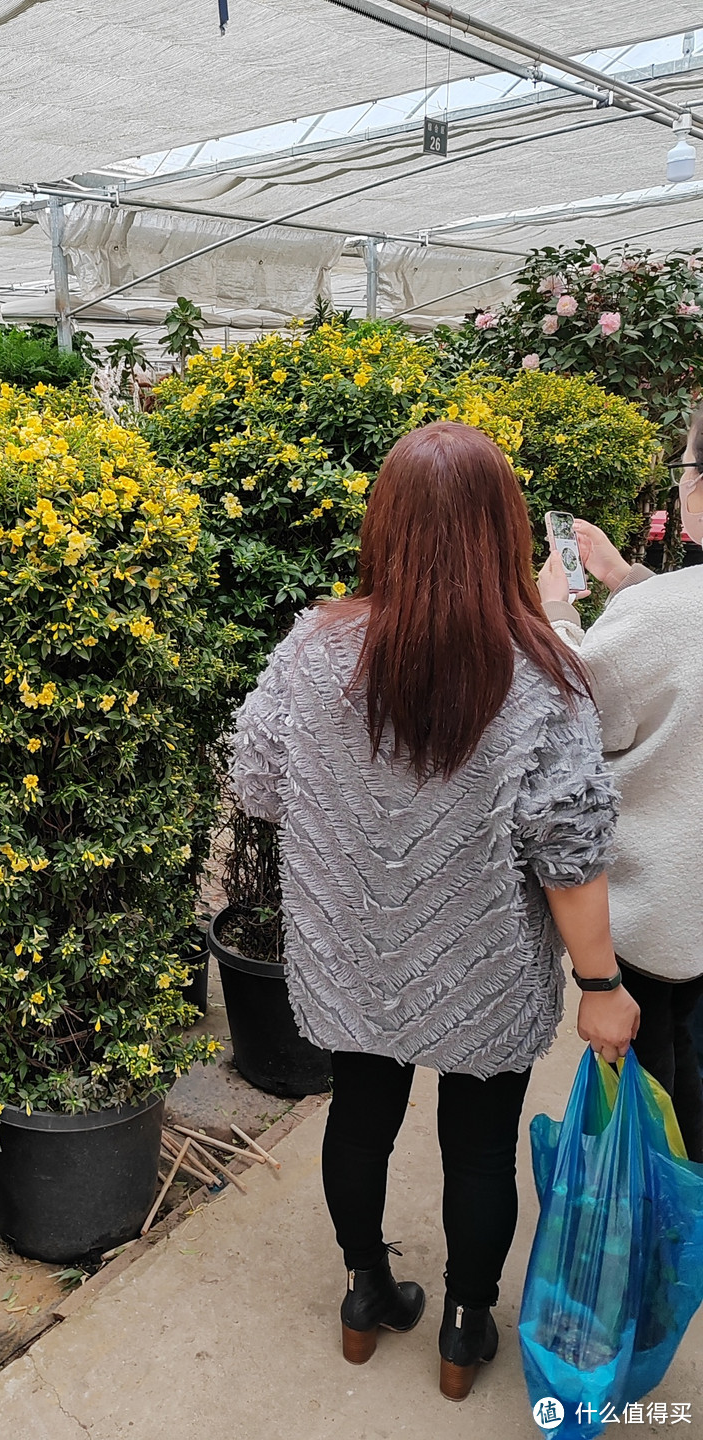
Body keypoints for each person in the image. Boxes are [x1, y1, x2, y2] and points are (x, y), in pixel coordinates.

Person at [229, 421, 638, 1401]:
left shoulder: (315, 648)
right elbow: (569, 849)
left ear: (386, 527)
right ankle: (463, 1329)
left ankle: (364, 1296)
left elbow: (254, 779)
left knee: (360, 1116)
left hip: (354, 949)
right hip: (485, 963)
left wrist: (357, 811)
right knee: (479, 1146)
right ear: (502, 530)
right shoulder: (541, 673)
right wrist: (601, 985)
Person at [537, 408, 703, 1162]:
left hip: (663, 915)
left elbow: (575, 714)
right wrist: (624, 578)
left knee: (661, 1089)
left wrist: (557, 616)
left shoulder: (659, 616)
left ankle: (664, 1246)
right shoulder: (658, 608)